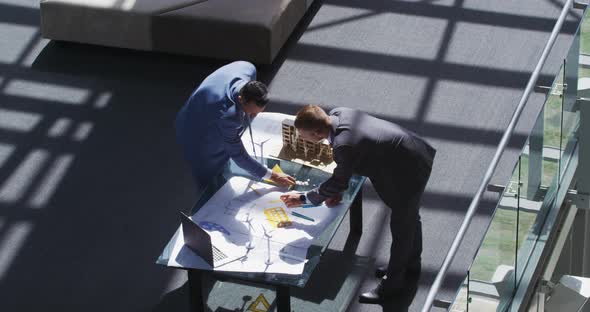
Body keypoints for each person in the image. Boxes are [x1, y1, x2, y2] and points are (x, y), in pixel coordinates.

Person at [280, 105, 436, 304]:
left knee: (402, 227)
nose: (303, 139)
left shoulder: (343, 144)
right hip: (410, 151)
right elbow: (356, 155)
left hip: (407, 171)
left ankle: (392, 288)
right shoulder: (338, 113)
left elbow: (341, 174)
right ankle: (410, 264)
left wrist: (303, 198)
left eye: (304, 136)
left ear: (317, 132)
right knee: (411, 219)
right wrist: (339, 189)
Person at [175, 61, 295, 189]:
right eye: (251, 112)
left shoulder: (247, 68)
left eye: (258, 112)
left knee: (227, 156)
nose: (253, 116)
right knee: (210, 176)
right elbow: (237, 154)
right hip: (194, 130)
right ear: (240, 99)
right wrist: (272, 176)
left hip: (203, 104)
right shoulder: (228, 117)